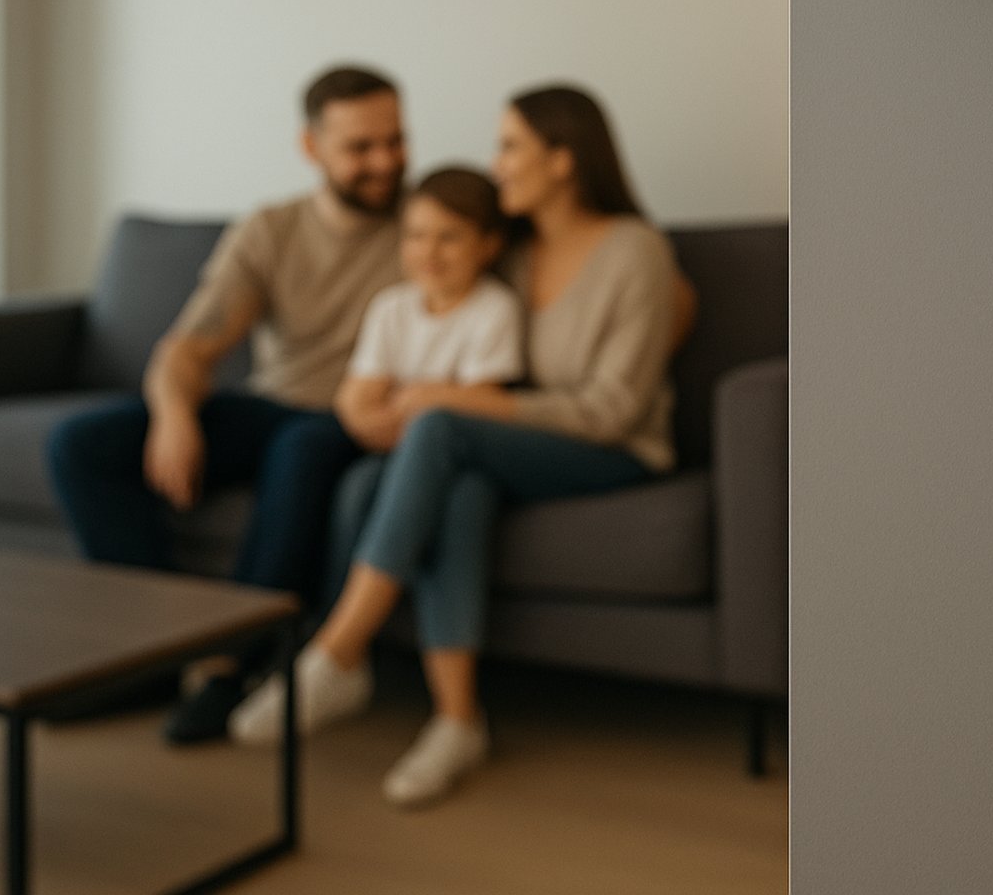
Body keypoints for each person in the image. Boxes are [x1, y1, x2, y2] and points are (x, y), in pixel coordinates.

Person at [229, 84, 682, 809]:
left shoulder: (636, 251)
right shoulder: (516, 254)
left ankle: (337, 651)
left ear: (563, 161)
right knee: (461, 489)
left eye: (510, 147)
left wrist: (454, 401)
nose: (496, 162)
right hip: (526, 443)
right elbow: (435, 309)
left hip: (616, 449)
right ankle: (457, 720)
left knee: (441, 430)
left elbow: (614, 409)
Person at [46, 65, 408, 744]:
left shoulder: (430, 226)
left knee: (301, 448)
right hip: (275, 405)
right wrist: (174, 417)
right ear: (312, 147)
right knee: (81, 445)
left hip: (359, 417)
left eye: (395, 141)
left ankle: (229, 665)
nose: (385, 162)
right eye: (362, 147)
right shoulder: (272, 229)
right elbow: (189, 347)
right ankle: (154, 650)